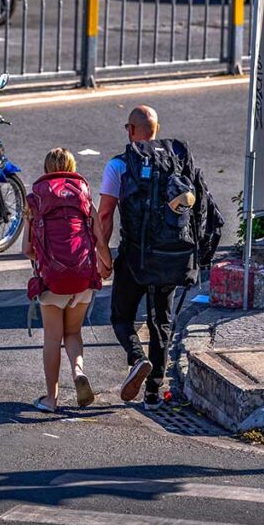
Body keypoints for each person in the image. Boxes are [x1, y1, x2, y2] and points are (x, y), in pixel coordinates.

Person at [95, 106, 174, 411]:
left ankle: (137, 357)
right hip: (171, 256)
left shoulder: (119, 164)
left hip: (134, 255)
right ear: (157, 128)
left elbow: (105, 213)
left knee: (120, 316)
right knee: (161, 322)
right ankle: (154, 392)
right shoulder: (175, 161)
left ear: (130, 130)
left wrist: (104, 256)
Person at [23, 148, 108, 413]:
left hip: (52, 280)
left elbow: (27, 248)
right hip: (82, 277)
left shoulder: (36, 198)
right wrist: (107, 264)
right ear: (72, 167)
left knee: (52, 338)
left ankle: (52, 399)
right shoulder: (83, 194)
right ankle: (78, 371)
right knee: (73, 333)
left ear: (47, 168)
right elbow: (98, 237)